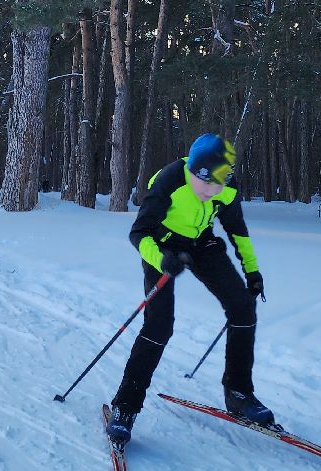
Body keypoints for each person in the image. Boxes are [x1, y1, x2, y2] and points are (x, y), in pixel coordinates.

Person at [105, 133, 269, 446]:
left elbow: (238, 231)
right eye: (204, 183)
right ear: (192, 172)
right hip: (161, 246)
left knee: (242, 306)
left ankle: (238, 393)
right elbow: (138, 234)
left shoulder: (227, 186)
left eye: (217, 185)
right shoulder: (169, 180)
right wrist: (162, 261)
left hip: (201, 244)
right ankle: (125, 406)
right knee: (159, 325)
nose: (210, 192)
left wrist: (252, 270)